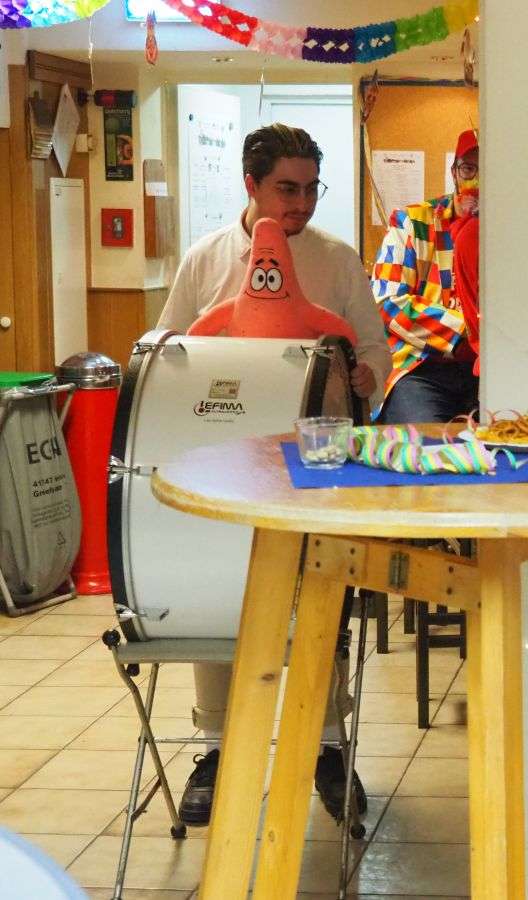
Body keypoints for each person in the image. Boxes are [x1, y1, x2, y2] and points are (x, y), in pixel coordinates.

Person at [157, 123, 391, 825]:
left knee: (322, 597)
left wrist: (366, 372)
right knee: (221, 594)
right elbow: (166, 344)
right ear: (250, 184)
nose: (302, 204)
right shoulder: (205, 260)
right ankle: (215, 748)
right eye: (287, 189)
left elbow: (376, 347)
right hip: (226, 460)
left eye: (312, 189)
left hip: (318, 465)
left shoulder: (337, 261)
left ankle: (327, 746)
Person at [372, 128, 481, 424]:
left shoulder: (512, 230)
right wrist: (466, 331)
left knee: (507, 435)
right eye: (468, 169)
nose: (476, 181)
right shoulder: (413, 221)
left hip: (490, 369)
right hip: (420, 367)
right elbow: (386, 301)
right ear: (454, 173)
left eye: (488, 170)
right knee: (426, 439)